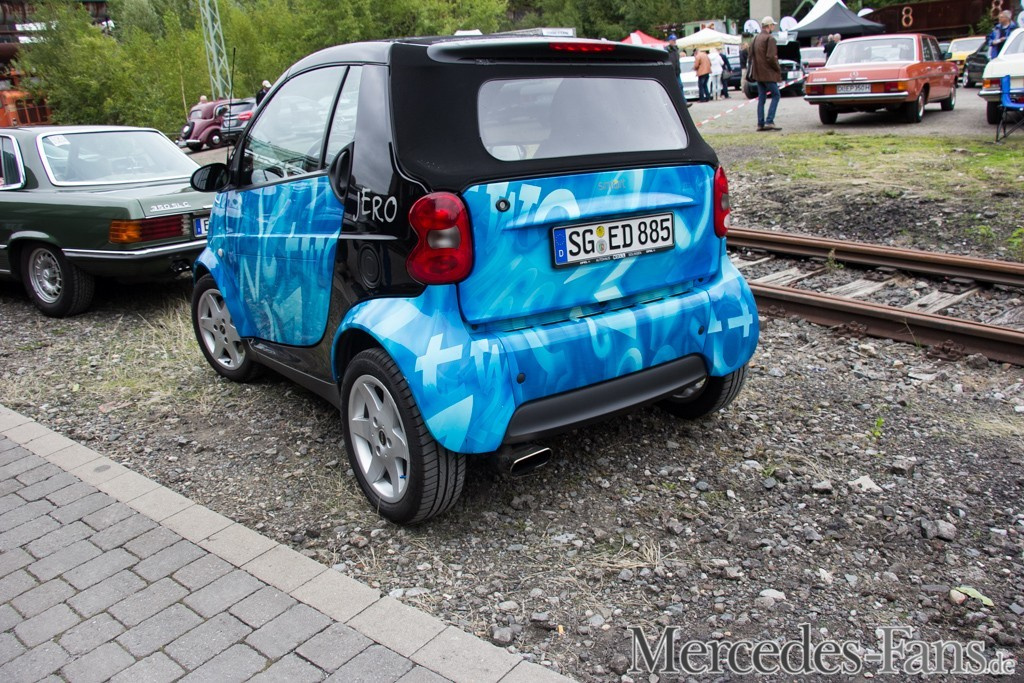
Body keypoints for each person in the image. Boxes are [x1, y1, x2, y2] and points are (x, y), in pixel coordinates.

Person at [750, 16, 782, 131]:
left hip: (758, 74)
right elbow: (771, 57)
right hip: (768, 73)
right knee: (776, 95)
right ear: (769, 26)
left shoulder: (755, 38)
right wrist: (777, 68)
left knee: (761, 98)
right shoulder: (770, 39)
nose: (773, 27)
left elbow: (751, 56)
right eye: (773, 25)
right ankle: (769, 121)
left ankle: (760, 123)